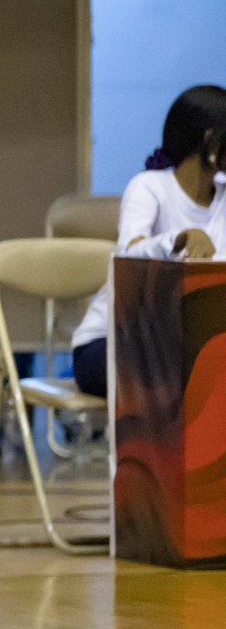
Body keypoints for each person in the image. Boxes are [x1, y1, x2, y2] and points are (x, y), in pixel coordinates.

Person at [69, 86, 226, 397]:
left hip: (191, 346)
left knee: (198, 368)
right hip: (111, 343)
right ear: (210, 142)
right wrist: (179, 239)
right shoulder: (149, 187)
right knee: (184, 374)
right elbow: (130, 257)